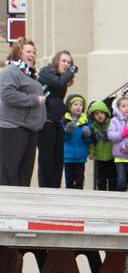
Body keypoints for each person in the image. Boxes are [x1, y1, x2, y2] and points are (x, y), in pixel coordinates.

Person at [0, 39, 48, 186]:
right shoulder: (11, 70)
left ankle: (22, 200)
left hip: (29, 128)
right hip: (13, 128)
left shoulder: (29, 74)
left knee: (25, 172)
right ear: (18, 53)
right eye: (28, 51)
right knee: (10, 171)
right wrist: (34, 100)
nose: (32, 55)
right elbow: (6, 93)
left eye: (34, 52)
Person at [37, 49, 78, 188]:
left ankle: (55, 188)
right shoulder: (46, 72)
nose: (66, 64)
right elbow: (58, 83)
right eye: (63, 61)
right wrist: (71, 72)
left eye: (69, 62)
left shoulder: (62, 77)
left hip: (57, 121)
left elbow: (58, 100)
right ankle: (45, 188)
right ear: (56, 61)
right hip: (46, 121)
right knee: (46, 158)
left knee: (58, 158)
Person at [62, 93, 91, 189]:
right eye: (75, 104)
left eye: (81, 105)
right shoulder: (64, 120)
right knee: (69, 179)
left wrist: (87, 135)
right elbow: (62, 139)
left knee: (80, 179)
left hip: (81, 156)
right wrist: (67, 132)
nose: (79, 107)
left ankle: (79, 195)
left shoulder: (86, 120)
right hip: (67, 156)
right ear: (69, 107)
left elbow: (88, 141)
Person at [87, 100, 116, 191]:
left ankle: (112, 193)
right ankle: (101, 193)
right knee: (100, 178)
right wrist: (91, 152)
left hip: (112, 155)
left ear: (106, 113)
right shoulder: (93, 127)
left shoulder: (112, 124)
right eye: (96, 114)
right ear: (93, 116)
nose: (100, 115)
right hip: (99, 156)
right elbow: (92, 141)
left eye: (102, 113)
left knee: (112, 177)